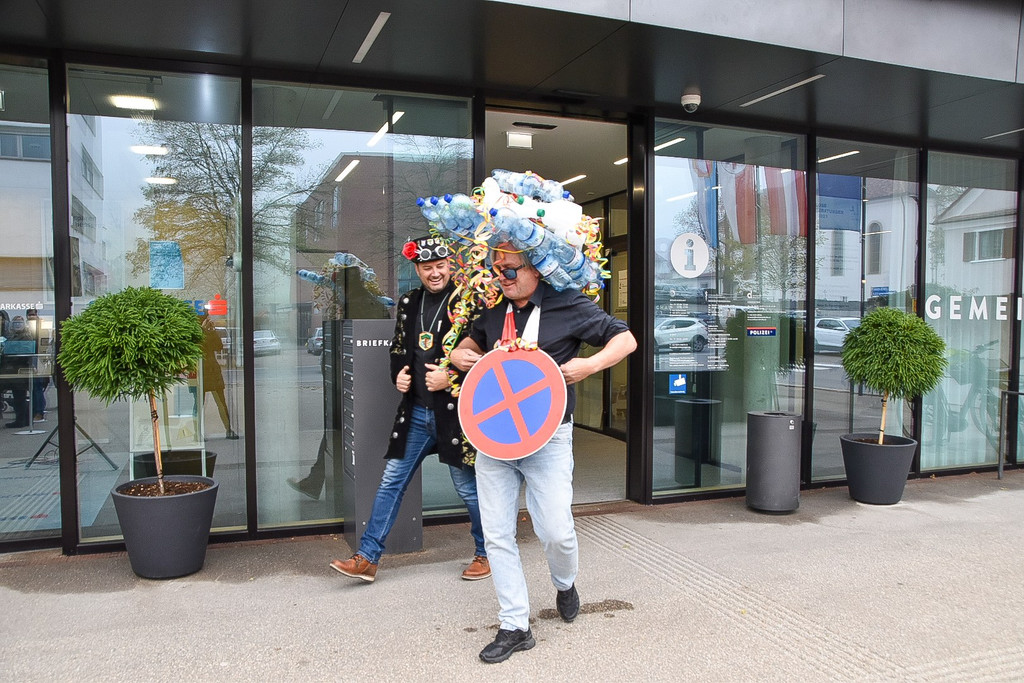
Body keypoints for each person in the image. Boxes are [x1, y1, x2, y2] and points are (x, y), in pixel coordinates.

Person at [450, 243, 636, 663]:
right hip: (494, 439)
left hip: (548, 438)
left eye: (510, 269)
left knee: (556, 531)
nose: (501, 276)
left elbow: (625, 340)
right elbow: (466, 347)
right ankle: (515, 625)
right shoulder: (493, 311)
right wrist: (463, 355)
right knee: (497, 534)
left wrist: (589, 366)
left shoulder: (568, 303)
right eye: (496, 269)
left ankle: (565, 582)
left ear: (536, 268)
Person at [329, 236, 489, 582]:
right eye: (427, 267)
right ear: (417, 269)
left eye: (440, 266)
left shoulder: (468, 301)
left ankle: (487, 552)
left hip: (456, 414)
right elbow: (399, 347)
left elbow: (487, 356)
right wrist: (398, 374)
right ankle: (367, 558)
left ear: (450, 265)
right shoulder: (408, 301)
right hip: (416, 411)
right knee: (391, 482)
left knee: (468, 489)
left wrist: (451, 376)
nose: (435, 273)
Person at [198, 314, 238, 439]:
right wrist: (203, 330)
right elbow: (199, 346)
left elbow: (218, 346)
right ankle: (198, 433)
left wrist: (212, 331)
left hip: (212, 370)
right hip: (201, 370)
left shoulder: (209, 332)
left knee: (221, 402)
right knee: (199, 405)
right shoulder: (196, 333)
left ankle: (228, 429)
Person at [1, 315, 34, 429]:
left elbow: (25, 352)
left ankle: (22, 420)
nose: (17, 325)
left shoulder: (26, 336)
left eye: (19, 322)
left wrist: (10, 353)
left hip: (19, 370)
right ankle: (23, 419)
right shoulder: (11, 336)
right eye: (15, 322)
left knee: (19, 396)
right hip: (10, 370)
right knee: (18, 396)